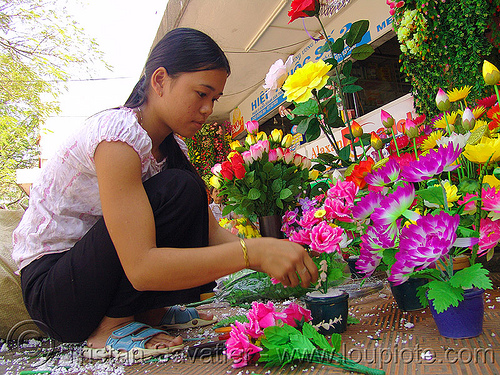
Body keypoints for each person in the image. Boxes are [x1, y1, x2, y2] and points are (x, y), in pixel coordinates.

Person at [12, 27, 318, 360]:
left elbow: (210, 233)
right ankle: (108, 330)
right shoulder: (117, 138)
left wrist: (279, 254)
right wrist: (253, 253)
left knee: (185, 193)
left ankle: (149, 314)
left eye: (214, 99)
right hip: (59, 296)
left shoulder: (170, 149)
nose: (207, 108)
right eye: (201, 94)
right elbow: (141, 266)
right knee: (178, 188)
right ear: (159, 81)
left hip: (93, 282)